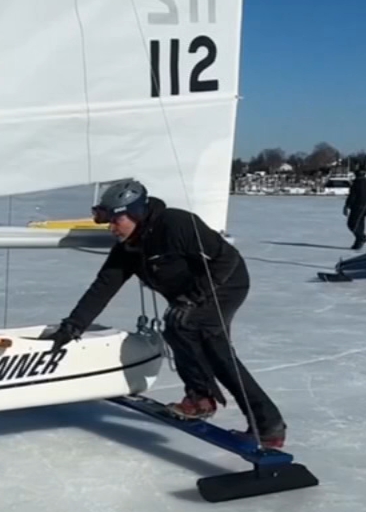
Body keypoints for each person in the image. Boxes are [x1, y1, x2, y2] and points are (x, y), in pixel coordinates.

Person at [42, 179, 288, 449]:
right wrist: (72, 328)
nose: (112, 228)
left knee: (198, 338)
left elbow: (226, 259)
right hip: (189, 297)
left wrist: (193, 299)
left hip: (225, 284)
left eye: (116, 220)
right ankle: (205, 399)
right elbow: (102, 289)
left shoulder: (176, 224)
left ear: (134, 213)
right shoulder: (128, 249)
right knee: (185, 332)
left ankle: (261, 422)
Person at [343, 166, 366, 250]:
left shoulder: (356, 184)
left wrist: (347, 206)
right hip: (365, 207)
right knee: (360, 224)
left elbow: (352, 196)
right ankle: (358, 242)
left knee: (352, 224)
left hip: (356, 207)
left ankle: (361, 238)